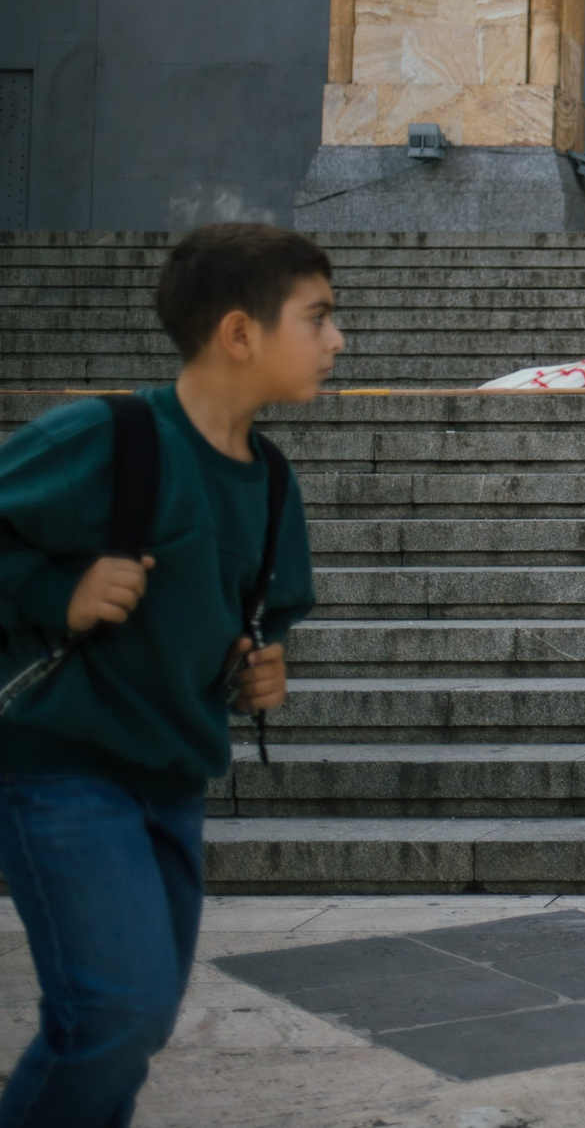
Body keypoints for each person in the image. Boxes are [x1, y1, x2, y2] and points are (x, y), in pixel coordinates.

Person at [0, 223, 330, 1126]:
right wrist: (56, 587)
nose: (338, 341)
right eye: (319, 317)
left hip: (174, 780)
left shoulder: (270, 480)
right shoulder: (109, 436)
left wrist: (258, 666)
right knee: (117, 1010)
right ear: (238, 333)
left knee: (118, 1024)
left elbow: (258, 615)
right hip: (63, 770)